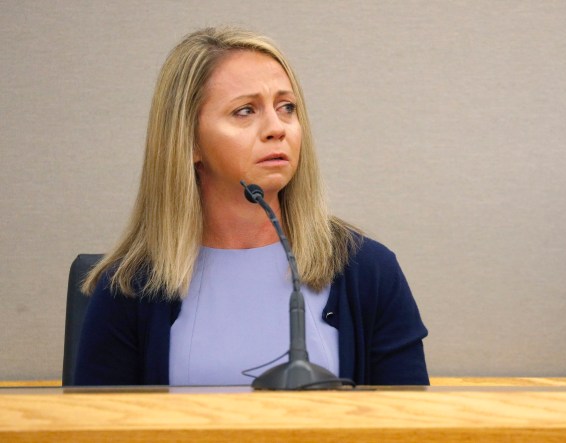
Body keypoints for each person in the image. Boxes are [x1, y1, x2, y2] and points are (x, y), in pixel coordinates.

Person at [74, 26, 429, 386]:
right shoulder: (130, 288)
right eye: (245, 111)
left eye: (287, 108)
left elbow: (413, 428)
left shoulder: (367, 271)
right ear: (189, 142)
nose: (277, 128)